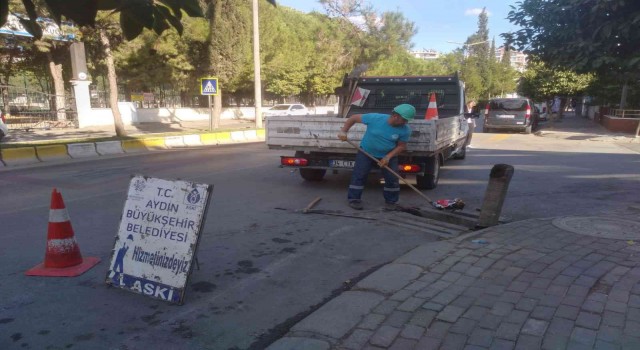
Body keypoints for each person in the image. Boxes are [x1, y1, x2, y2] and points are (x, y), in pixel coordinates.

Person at [337, 103, 415, 210]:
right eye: (404, 120)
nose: (406, 122)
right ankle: (354, 199)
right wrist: (343, 131)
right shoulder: (375, 118)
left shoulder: (405, 130)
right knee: (359, 175)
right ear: (395, 116)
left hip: (388, 155)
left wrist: (388, 157)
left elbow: (401, 146)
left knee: (392, 179)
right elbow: (353, 118)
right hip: (366, 152)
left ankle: (391, 202)